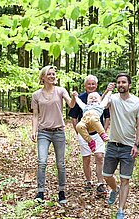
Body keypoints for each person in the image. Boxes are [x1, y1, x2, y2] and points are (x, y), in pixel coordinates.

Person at [103, 73, 139, 219]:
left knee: (125, 179)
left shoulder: (138, 102)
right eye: (119, 82)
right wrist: (107, 91)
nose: (121, 85)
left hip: (128, 147)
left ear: (129, 85)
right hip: (112, 144)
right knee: (107, 175)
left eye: (124, 82)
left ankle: (120, 210)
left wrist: (137, 145)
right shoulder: (113, 98)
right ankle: (114, 190)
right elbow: (100, 105)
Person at [31, 65, 76, 204]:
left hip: (59, 132)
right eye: (49, 74)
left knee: (61, 164)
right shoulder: (36, 95)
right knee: (42, 161)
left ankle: (62, 192)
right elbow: (35, 115)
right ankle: (40, 192)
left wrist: (74, 97)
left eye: (53, 74)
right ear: (43, 77)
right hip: (44, 132)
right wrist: (34, 131)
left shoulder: (61, 91)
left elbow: (71, 105)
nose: (52, 76)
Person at [69, 75, 110, 195]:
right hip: (84, 133)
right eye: (89, 84)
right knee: (86, 158)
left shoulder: (100, 99)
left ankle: (100, 183)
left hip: (98, 133)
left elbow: (107, 116)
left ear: (96, 85)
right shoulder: (82, 99)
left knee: (99, 156)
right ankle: (88, 181)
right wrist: (79, 133)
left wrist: (104, 130)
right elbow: (74, 117)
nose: (91, 86)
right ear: (85, 85)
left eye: (93, 84)